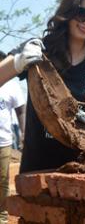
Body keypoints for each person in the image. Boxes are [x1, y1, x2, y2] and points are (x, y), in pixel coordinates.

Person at [0, 0, 85, 173]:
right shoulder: (39, 49)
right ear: (70, 10)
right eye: (83, 13)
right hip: (39, 163)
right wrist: (18, 61)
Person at [0, 51, 26, 224]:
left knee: (2, 182)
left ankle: (2, 217)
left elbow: (21, 110)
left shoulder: (12, 85)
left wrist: (25, 134)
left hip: (3, 141)